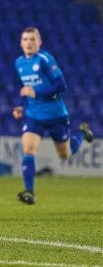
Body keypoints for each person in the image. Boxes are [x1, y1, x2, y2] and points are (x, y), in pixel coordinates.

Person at [12, 27, 94, 205]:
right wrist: (20, 105)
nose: (29, 43)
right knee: (28, 149)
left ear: (39, 42)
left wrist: (37, 92)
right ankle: (29, 192)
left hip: (56, 114)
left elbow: (60, 85)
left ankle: (81, 133)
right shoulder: (19, 63)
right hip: (34, 115)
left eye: (32, 39)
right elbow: (25, 88)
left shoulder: (44, 59)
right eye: (25, 39)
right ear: (21, 42)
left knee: (65, 155)